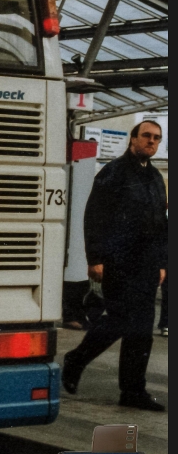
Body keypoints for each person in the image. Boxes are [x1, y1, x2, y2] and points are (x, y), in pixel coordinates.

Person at [62, 120, 168, 411]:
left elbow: (161, 223)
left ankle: (133, 391)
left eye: (157, 138)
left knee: (142, 330)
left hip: (147, 265)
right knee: (120, 320)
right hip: (119, 261)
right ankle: (76, 359)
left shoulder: (155, 177)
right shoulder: (114, 173)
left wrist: (162, 262)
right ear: (133, 139)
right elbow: (94, 216)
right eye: (146, 136)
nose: (151, 141)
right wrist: (95, 259)